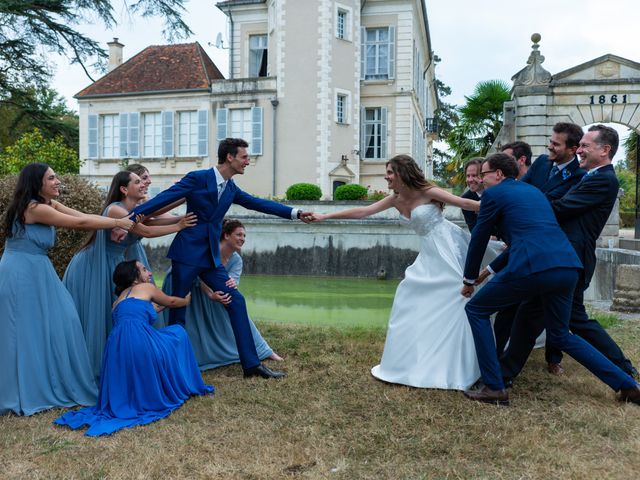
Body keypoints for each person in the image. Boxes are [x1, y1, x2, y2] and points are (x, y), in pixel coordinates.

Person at [460, 153, 640, 406]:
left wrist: (468, 280)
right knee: (561, 334)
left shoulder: (493, 195)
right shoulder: (534, 194)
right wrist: (487, 272)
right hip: (567, 266)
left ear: (498, 174)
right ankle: (628, 385)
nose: (480, 179)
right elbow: (527, 239)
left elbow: (479, 237)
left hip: (532, 267)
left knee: (476, 309)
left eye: (484, 174)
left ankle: (494, 386)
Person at [129, 137, 312, 379]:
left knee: (236, 301)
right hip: (187, 255)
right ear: (230, 157)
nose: (248, 161)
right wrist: (129, 218)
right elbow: (164, 198)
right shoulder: (198, 178)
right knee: (178, 310)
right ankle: (174, 367)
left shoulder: (231, 188)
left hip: (211, 259)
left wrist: (296, 213)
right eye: (244, 157)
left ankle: (251, 365)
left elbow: (259, 204)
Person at [311, 154, 489, 390]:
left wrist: (507, 201)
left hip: (447, 248)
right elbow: (363, 212)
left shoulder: (429, 191)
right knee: (409, 297)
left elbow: (469, 204)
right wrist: (325, 216)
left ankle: (458, 365)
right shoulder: (395, 199)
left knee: (455, 299)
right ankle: (417, 361)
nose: (386, 177)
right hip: (428, 254)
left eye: (390, 172)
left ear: (403, 174)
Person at [501, 125, 638, 381]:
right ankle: (623, 370)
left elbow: (561, 208)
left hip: (570, 258)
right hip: (565, 258)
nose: (580, 151)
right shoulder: (591, 176)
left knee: (544, 317)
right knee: (556, 318)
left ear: (605, 150)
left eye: (586, 146)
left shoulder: (603, 180)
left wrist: (518, 203)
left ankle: (503, 376)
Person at [0, 163, 135, 416]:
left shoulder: (47, 204)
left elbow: (81, 215)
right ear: (37, 182)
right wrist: (119, 221)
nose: (57, 181)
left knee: (64, 320)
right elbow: (81, 223)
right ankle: (24, 388)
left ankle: (49, 380)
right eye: (51, 178)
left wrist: (116, 221)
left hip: (39, 270)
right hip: (19, 274)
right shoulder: (34, 208)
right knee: (24, 331)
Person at [54, 260, 213, 436]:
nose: (150, 273)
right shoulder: (147, 288)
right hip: (139, 338)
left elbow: (148, 310)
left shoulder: (118, 301)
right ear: (135, 278)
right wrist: (186, 300)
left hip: (116, 344)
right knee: (178, 333)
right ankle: (184, 383)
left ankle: (130, 397)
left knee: (154, 348)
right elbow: (171, 301)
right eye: (144, 269)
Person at [63, 170, 196, 379]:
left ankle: (124, 360)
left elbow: (156, 215)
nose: (143, 184)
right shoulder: (116, 210)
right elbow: (147, 232)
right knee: (99, 312)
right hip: (93, 265)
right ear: (124, 189)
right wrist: (179, 225)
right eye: (138, 182)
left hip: (115, 262)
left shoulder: (138, 209)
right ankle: (96, 366)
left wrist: (186, 194)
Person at [159, 219, 283, 368]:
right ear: (226, 235)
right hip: (185, 282)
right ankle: (188, 357)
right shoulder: (209, 251)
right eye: (239, 235)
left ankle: (263, 350)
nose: (242, 239)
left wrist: (230, 284)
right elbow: (199, 275)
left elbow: (232, 281)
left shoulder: (236, 260)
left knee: (237, 307)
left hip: (215, 289)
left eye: (244, 236)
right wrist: (211, 294)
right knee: (189, 321)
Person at [460, 157, 484, 233]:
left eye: (474, 175)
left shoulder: (498, 192)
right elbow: (473, 227)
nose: (470, 180)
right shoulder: (466, 198)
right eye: (468, 176)